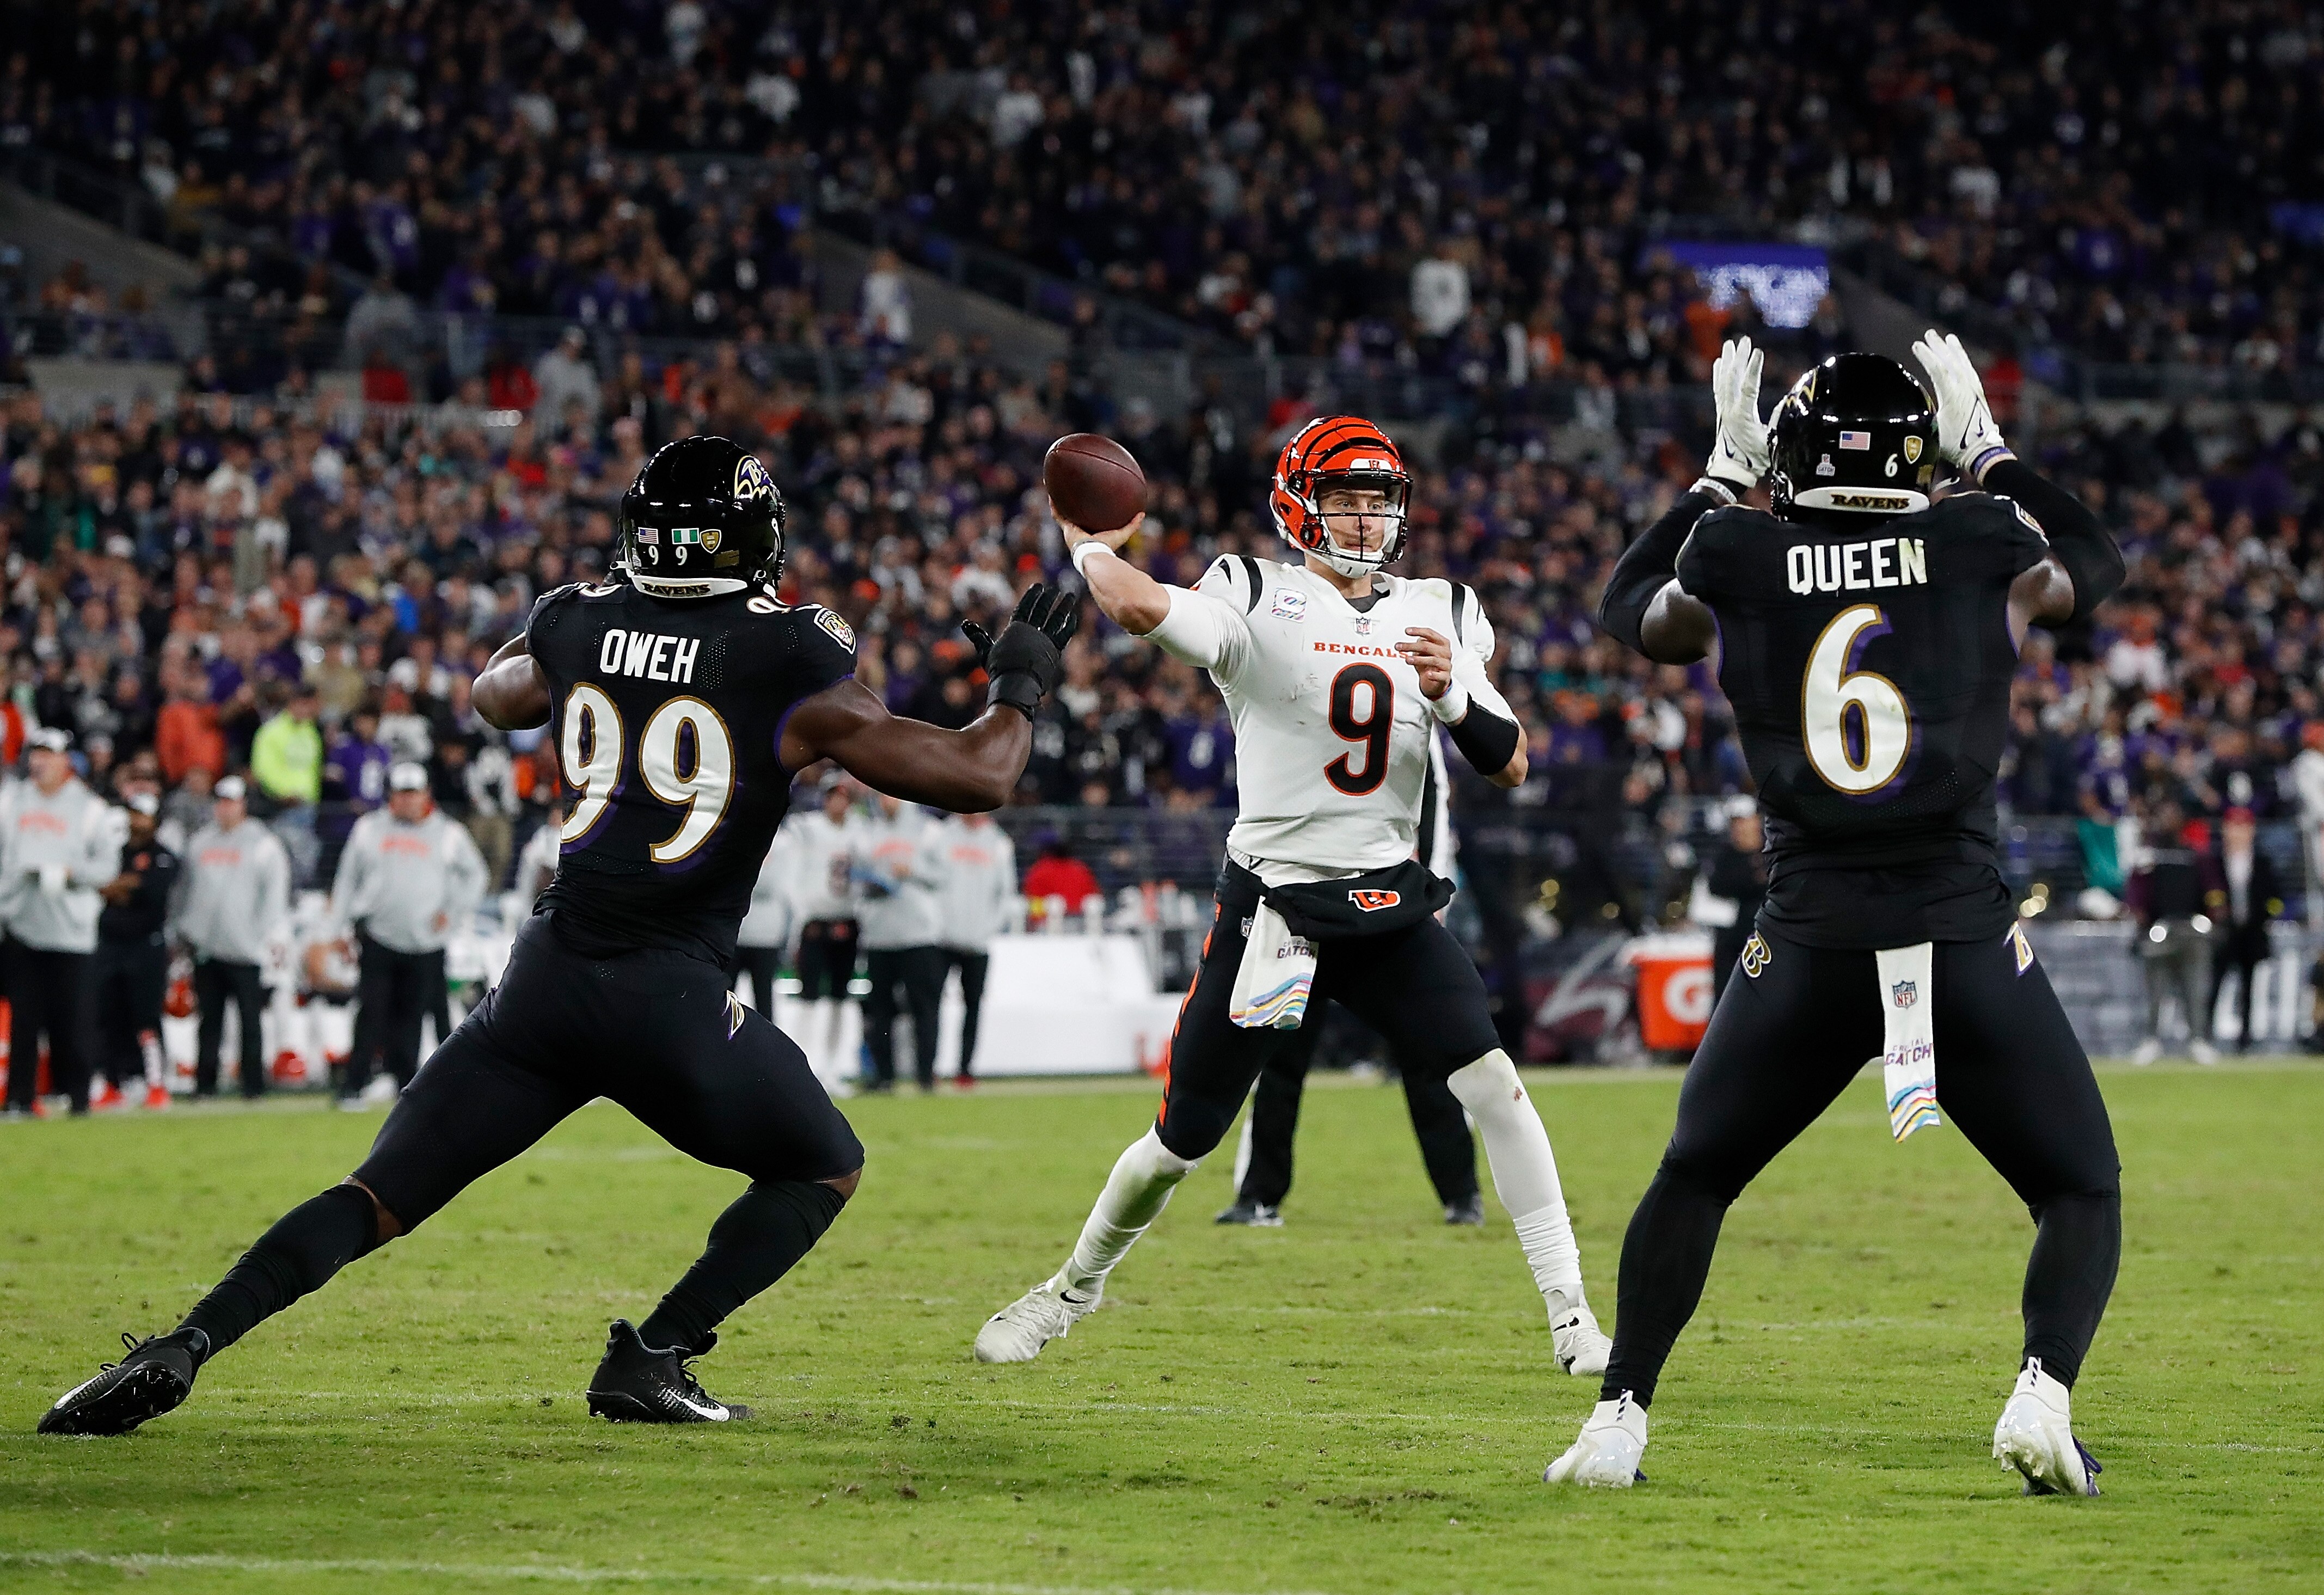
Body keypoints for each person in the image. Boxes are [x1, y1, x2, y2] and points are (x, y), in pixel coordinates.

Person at [42, 435, 1079, 1437]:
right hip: (668, 996)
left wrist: (585, 628)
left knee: (376, 1196)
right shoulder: (789, 654)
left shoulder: (574, 622)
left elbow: (498, 698)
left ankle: (186, 1342)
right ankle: (657, 1355)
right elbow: (979, 776)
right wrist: (1019, 686)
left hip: (541, 984)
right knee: (824, 1165)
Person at [1560, 335, 2126, 1495]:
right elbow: (2093, 563)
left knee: (1693, 1176)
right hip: (1959, 930)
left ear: (1786, 449)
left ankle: (1620, 1416)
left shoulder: (1736, 550)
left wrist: (1714, 480)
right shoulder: (1974, 540)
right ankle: (2040, 1391)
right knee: (2078, 1187)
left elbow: (1627, 607)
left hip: (1806, 937)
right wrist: (1998, 459)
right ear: (1922, 452)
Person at [977, 413, 1611, 1383]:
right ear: (1298, 506)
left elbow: (1512, 758)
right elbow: (1145, 611)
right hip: (1274, 907)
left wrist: (1451, 698)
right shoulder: (1251, 589)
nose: (1362, 522)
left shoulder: (1444, 608)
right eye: (1345, 501)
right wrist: (1087, 549)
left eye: (1376, 502)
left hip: (1388, 903)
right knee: (1178, 1141)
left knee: (1493, 1084)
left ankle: (1571, 1318)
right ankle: (1071, 1288)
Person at [1217, 733, 1481, 1225]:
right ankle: (1258, 1195)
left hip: (1385, 900)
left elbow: (1434, 797)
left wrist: (1433, 889)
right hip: (1305, 899)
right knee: (1277, 1052)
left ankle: (1461, 1191)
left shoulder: (1396, 700)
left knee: (1430, 1052)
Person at [330, 762, 488, 1105]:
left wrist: (453, 913)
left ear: (425, 795)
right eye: (400, 794)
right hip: (377, 936)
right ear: (391, 797)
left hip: (426, 943)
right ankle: (353, 1085)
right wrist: (338, 928)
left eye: (412, 793)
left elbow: (476, 876)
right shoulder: (368, 829)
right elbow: (346, 881)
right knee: (370, 1013)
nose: (406, 801)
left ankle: (406, 1087)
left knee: (414, 1018)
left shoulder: (448, 833)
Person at [0, 729, 119, 1119]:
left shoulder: (90, 809)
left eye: (49, 753)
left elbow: (106, 869)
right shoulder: (10, 802)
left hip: (72, 933)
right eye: (36, 752)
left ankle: (78, 1097)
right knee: (24, 1022)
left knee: (74, 1022)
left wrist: (69, 873)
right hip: (22, 925)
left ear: (66, 761)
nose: (40, 760)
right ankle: (20, 1098)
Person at [170, 776, 292, 1100]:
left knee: (251, 1021)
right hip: (208, 947)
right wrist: (186, 931)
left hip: (248, 949)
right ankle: (205, 1084)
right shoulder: (200, 843)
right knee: (209, 1021)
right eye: (221, 802)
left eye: (232, 802)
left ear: (243, 805)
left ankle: (253, 1084)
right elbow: (186, 892)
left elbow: (275, 897)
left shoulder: (264, 843)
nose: (226, 808)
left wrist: (267, 938)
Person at [91, 792, 180, 1112]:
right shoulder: (114, 852)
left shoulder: (164, 856)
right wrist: (124, 886)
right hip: (111, 944)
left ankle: (156, 1083)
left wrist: (122, 886)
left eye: (143, 815)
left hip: (147, 945)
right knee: (108, 1016)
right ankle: (111, 1083)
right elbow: (98, 884)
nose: (137, 821)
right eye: (134, 814)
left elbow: (154, 894)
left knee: (146, 1018)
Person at [854, 792, 948, 1091]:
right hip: (880, 935)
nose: (886, 801)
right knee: (880, 1010)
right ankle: (884, 1076)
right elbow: (857, 880)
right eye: (881, 795)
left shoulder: (930, 831)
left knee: (925, 1008)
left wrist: (913, 872)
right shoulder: (868, 832)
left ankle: (926, 1075)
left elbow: (946, 875)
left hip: (919, 934)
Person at [2125, 804, 2223, 1067]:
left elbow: (2213, 889)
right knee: (2156, 991)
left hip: (2192, 930)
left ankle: (2198, 1040)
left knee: (2196, 989)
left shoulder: (2195, 855)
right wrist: (2140, 916)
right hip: (2159, 931)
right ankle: (2152, 1041)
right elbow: (2137, 890)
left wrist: (2215, 913)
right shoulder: (2150, 855)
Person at [783, 776, 863, 1082]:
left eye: (844, 797)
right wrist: (803, 913)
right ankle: (802, 1067)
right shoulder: (808, 829)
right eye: (833, 796)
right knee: (809, 996)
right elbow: (793, 874)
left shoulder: (860, 832)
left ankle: (833, 1068)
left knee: (841, 999)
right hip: (815, 920)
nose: (839, 803)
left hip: (846, 919)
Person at [934, 809, 1016, 1087]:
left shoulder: (999, 842)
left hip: (979, 942)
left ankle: (965, 1070)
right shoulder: (941, 836)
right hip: (942, 939)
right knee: (931, 1006)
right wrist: (938, 923)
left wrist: (987, 929)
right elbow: (930, 885)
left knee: (973, 1008)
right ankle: (929, 1068)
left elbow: (1006, 893)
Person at [2208, 807, 2283, 1053]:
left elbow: (2275, 898)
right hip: (2223, 934)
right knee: (2215, 983)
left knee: (2249, 988)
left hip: (2252, 934)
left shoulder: (2262, 862)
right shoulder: (2215, 861)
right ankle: (2205, 1035)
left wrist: (2265, 915)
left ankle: (2246, 1038)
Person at [1694, 799, 1770, 1005]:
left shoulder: (1772, 853)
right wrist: (1755, 882)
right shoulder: (1725, 856)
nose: (1740, 828)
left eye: (1744, 821)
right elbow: (1716, 886)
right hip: (1732, 945)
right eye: (1735, 822)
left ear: (1756, 821)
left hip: (1768, 943)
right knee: (1726, 1001)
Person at [731, 822, 798, 1021]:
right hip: (735, 933)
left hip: (766, 935)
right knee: (722, 1000)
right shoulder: (737, 835)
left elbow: (773, 884)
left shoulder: (783, 842)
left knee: (764, 1001)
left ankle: (765, 1051)